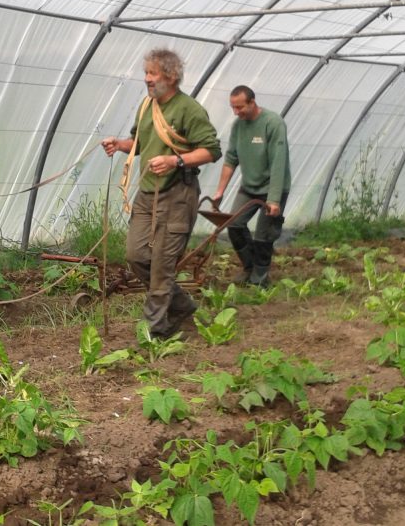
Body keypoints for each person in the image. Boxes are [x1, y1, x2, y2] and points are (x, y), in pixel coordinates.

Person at [101, 48, 221, 339]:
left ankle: (154, 332)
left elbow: (212, 150)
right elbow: (140, 143)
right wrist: (120, 144)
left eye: (152, 74)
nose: (147, 79)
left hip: (178, 194)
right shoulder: (147, 107)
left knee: (162, 266)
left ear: (171, 76)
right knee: (136, 255)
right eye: (146, 74)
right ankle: (181, 306)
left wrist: (175, 160)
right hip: (147, 193)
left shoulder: (188, 109)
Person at [211, 85, 291, 288]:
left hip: (274, 186)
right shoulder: (239, 126)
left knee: (264, 235)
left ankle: (260, 279)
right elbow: (231, 159)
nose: (236, 112)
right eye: (233, 108)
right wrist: (220, 191)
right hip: (249, 187)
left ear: (252, 103)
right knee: (234, 225)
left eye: (239, 107)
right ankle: (250, 267)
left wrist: (273, 199)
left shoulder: (273, 123)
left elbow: (278, 163)